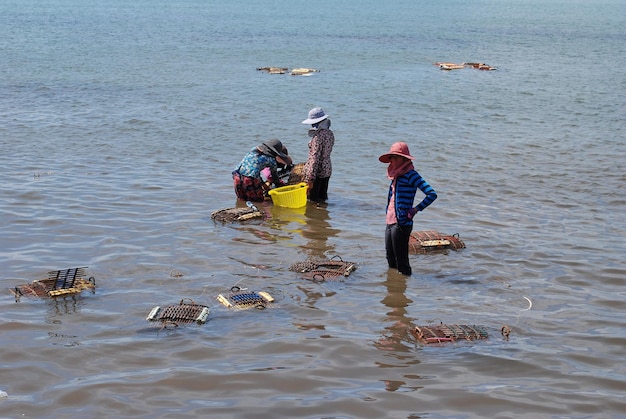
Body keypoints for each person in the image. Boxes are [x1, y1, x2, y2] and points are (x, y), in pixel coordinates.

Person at [379, 142, 437, 276]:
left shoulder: (412, 175)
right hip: (390, 221)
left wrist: (416, 209)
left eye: (395, 157)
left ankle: (404, 285)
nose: (392, 160)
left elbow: (431, 194)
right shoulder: (396, 176)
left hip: (402, 223)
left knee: (402, 261)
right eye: (391, 157)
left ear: (404, 159)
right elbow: (391, 198)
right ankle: (394, 288)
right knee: (390, 258)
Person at [301, 107, 334, 203]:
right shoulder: (330, 133)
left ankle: (314, 216)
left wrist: (310, 179)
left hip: (317, 171)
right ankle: (323, 216)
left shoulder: (317, 137)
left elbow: (314, 158)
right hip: (327, 168)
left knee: (313, 201)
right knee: (323, 197)